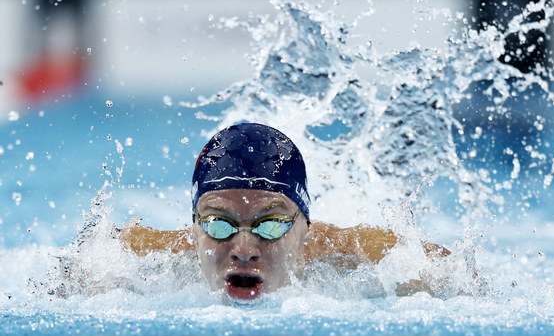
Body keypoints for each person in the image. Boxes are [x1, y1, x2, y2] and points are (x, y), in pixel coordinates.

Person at [120, 123, 449, 300]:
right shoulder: (156, 256)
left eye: (270, 226)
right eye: (220, 225)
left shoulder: (349, 250)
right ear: (193, 227)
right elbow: (97, 254)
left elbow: (446, 269)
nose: (245, 252)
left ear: (305, 228)